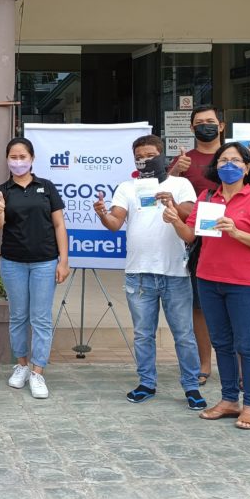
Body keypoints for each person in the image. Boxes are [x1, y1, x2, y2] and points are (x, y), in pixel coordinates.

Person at [162, 142, 250, 430]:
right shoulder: (207, 196)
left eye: (236, 161)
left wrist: (236, 232)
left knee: (246, 345)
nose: (229, 165)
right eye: (223, 160)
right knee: (222, 343)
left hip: (243, 283)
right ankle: (229, 400)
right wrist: (175, 220)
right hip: (208, 279)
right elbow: (191, 236)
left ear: (247, 167)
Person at [95, 135, 205, 410]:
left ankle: (191, 386)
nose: (145, 160)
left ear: (162, 156)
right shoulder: (127, 187)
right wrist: (101, 213)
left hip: (175, 272)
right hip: (139, 272)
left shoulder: (180, 184)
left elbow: (191, 214)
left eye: (150, 155)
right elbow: (114, 222)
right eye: (139, 157)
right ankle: (146, 382)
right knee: (143, 334)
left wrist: (171, 202)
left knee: (183, 334)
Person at [168, 104, 250, 386]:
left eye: (210, 121)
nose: (205, 126)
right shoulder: (184, 160)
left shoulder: (240, 156)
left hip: (239, 242)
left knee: (237, 308)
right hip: (201, 242)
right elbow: (167, 197)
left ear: (222, 125)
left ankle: (242, 366)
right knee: (201, 307)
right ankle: (205, 364)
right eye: (199, 122)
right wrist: (174, 171)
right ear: (191, 128)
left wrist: (249, 167)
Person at [0, 137, 69, 399]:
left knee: (41, 318)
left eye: (23, 157)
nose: (18, 161)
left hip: (45, 261)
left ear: (32, 159)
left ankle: (38, 371)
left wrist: (63, 260)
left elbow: (59, 225)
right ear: (7, 159)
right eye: (13, 156)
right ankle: (21, 365)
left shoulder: (46, 187)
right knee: (18, 316)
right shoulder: (2, 191)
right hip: (13, 262)